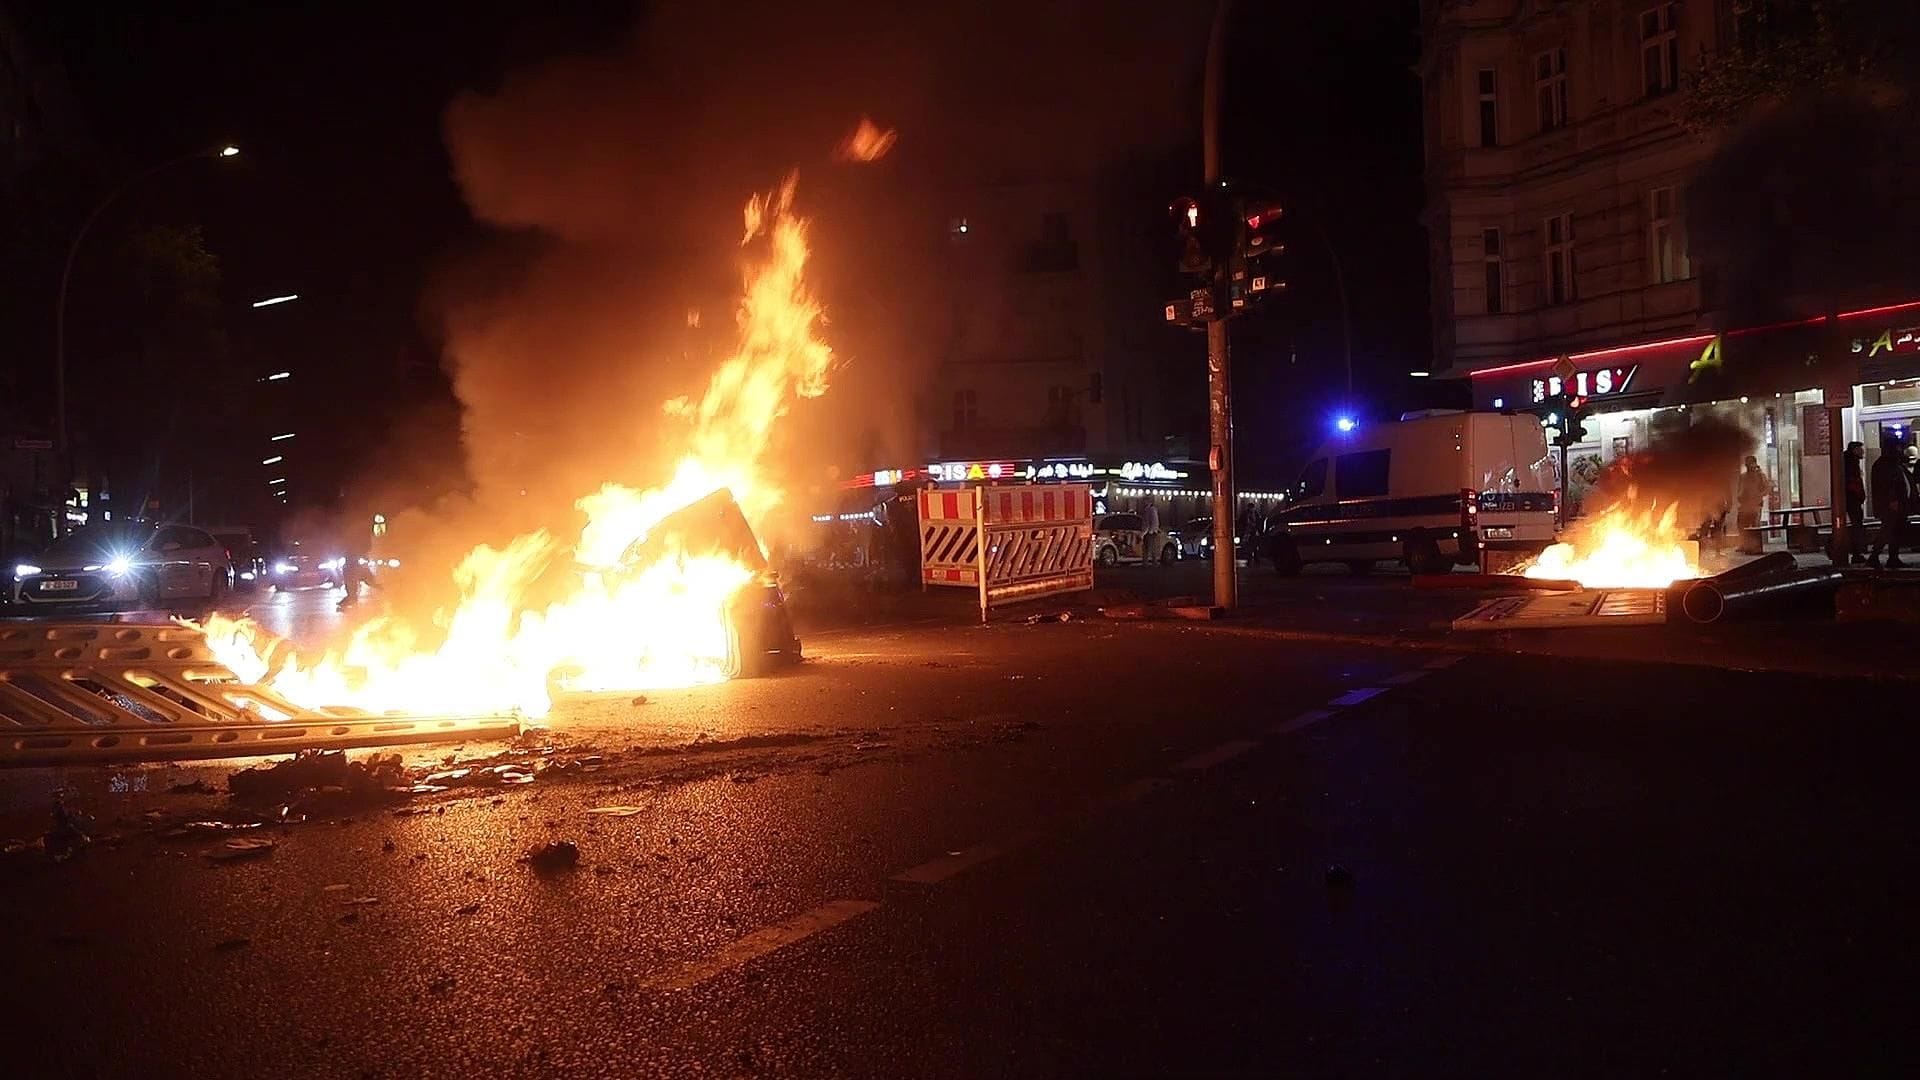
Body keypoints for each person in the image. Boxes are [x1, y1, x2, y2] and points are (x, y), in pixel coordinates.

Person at [1869, 443, 1913, 569]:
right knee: (1887, 530)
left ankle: (1893, 557)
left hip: (1899, 504)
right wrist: (1892, 500)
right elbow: (1887, 485)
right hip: (1891, 506)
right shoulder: (1885, 465)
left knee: (1895, 532)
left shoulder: (1894, 464)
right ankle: (1875, 555)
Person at [1735, 455, 1773, 555]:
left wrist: (1758, 496)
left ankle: (1754, 546)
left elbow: (1767, 488)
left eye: (1750, 463)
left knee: (1755, 525)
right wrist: (1739, 496)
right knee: (1741, 524)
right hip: (1744, 505)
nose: (1748, 466)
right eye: (1747, 464)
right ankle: (1743, 544)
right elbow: (1739, 489)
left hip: (1756, 505)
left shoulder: (1760, 476)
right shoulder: (1743, 476)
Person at [1842, 441, 1868, 565]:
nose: (1862, 452)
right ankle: (1856, 553)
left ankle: (1857, 552)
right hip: (1852, 499)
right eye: (1860, 449)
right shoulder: (1851, 464)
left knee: (1857, 525)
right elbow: (1853, 482)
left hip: (1852, 498)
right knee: (1857, 525)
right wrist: (1860, 495)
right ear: (1854, 450)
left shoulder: (1849, 461)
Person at [1141, 499, 1163, 566]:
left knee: (1147, 547)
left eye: (1144, 501)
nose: (1143, 502)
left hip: (1149, 532)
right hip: (1152, 531)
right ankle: (1152, 561)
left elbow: (1149, 522)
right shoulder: (1152, 509)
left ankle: (1148, 562)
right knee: (1151, 547)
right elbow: (1155, 522)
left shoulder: (1149, 510)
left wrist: (1145, 532)